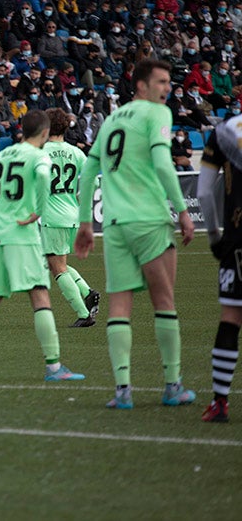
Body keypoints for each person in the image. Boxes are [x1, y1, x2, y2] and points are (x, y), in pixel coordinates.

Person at [75, 59, 197, 410]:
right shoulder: (156, 114)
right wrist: (184, 210)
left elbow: (88, 172)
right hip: (148, 220)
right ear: (141, 86)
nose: (166, 88)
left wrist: (86, 222)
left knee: (119, 305)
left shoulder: (111, 119)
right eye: (160, 82)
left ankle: (123, 390)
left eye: (168, 82)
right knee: (164, 301)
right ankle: (172, 385)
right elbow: (162, 164)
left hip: (113, 224)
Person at [0, 109, 85, 383]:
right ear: (45, 133)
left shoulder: (3, 155)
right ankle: (53, 367)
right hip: (22, 237)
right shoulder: (38, 156)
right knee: (40, 297)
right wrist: (37, 210)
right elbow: (42, 176)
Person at [196, 116, 242, 422]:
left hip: (238, 237)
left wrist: (214, 237)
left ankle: (220, 403)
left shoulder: (224, 131)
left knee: (231, 317)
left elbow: (203, 193)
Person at [41, 108, 101, 328]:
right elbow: (93, 180)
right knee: (58, 263)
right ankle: (87, 292)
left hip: (52, 215)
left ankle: (84, 314)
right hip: (71, 212)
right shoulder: (75, 152)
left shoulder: (41, 151)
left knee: (57, 267)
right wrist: (76, 195)